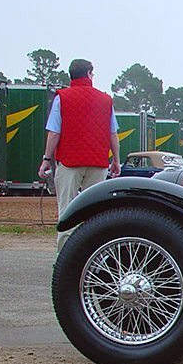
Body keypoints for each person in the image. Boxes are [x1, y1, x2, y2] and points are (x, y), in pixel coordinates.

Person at [39, 58, 120, 253]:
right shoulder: (105, 100)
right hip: (98, 163)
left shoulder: (62, 98)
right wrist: (116, 160)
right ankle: (95, 258)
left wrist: (46, 159)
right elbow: (112, 133)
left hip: (70, 162)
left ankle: (65, 261)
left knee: (67, 213)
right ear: (89, 74)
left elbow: (54, 133)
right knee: (95, 214)